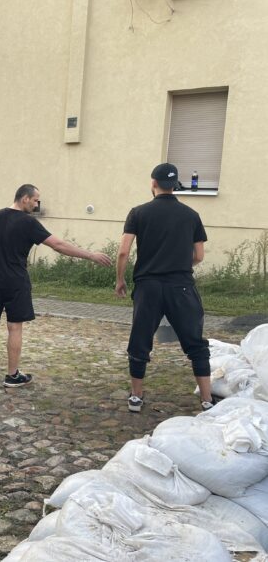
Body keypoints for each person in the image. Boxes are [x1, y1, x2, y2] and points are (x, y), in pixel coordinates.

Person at [0, 184, 112, 386]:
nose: (36, 204)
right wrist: (90, 255)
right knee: (15, 328)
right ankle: (12, 375)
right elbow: (58, 245)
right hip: (16, 283)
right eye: (35, 200)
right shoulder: (28, 223)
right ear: (25, 198)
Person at [116, 163, 213, 413]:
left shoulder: (138, 213)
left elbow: (124, 251)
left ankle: (136, 397)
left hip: (148, 286)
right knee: (195, 342)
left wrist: (120, 280)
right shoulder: (191, 215)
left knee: (140, 340)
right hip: (181, 286)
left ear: (153, 183)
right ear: (175, 185)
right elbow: (199, 256)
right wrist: (179, 265)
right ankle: (206, 400)